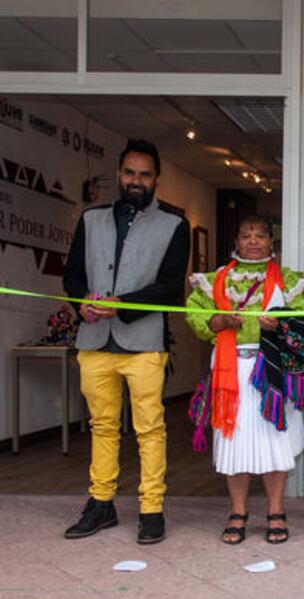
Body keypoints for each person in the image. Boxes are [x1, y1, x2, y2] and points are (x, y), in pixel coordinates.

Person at [62, 138, 190, 544]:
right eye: (130, 173)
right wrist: (79, 304)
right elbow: (72, 276)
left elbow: (170, 288)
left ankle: (151, 508)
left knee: (150, 428)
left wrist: (122, 305)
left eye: (145, 175)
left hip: (144, 342)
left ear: (156, 179)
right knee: (102, 426)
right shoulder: (91, 219)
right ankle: (101, 503)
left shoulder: (174, 224)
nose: (136, 181)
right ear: (119, 174)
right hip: (95, 339)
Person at [186, 215, 304, 544]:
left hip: (272, 368)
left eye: (261, 235)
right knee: (234, 443)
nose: (254, 241)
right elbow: (195, 316)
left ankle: (276, 511)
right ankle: (238, 511)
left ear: (271, 242)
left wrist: (281, 324)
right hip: (232, 370)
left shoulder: (288, 280)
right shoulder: (215, 280)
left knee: (275, 442)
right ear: (236, 242)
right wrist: (218, 321)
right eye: (247, 235)